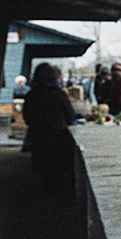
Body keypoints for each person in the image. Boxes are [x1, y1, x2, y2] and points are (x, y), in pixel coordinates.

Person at [22, 62, 76, 192]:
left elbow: (27, 116)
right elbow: (70, 115)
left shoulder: (31, 95)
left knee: (43, 167)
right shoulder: (58, 94)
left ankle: (46, 189)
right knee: (57, 165)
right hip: (58, 136)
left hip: (38, 135)